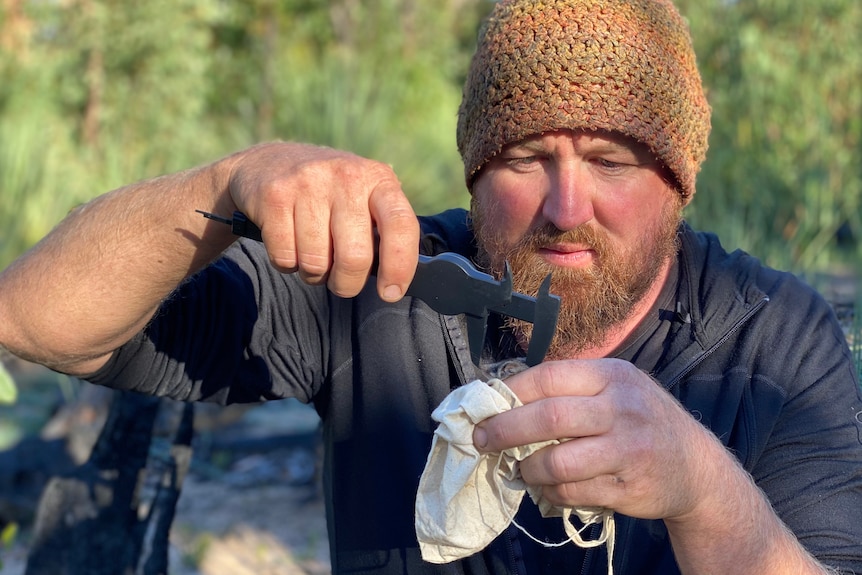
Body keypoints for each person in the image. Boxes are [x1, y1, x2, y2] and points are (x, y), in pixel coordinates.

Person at [1, 0, 860, 573]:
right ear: (476, 174)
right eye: (526, 158)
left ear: (678, 183)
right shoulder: (383, 278)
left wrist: (702, 487)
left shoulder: (777, 341)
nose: (566, 207)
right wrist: (230, 182)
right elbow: (34, 320)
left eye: (611, 161)